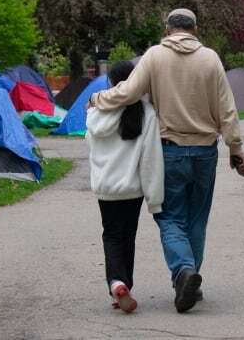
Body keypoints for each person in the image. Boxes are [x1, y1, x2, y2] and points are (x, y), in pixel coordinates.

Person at [90, 8, 244, 313]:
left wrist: (98, 99)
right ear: (195, 29)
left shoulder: (154, 56)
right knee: (197, 219)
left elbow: (128, 93)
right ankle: (189, 279)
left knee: (171, 217)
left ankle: (184, 272)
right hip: (205, 151)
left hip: (171, 151)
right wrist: (235, 147)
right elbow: (227, 109)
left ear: (167, 30)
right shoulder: (211, 58)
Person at [86, 61, 164, 314]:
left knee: (110, 234)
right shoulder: (146, 112)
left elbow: (92, 148)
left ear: (111, 82)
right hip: (132, 189)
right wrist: (155, 198)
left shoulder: (96, 111)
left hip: (106, 187)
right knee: (127, 236)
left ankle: (117, 283)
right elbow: (151, 157)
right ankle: (123, 283)